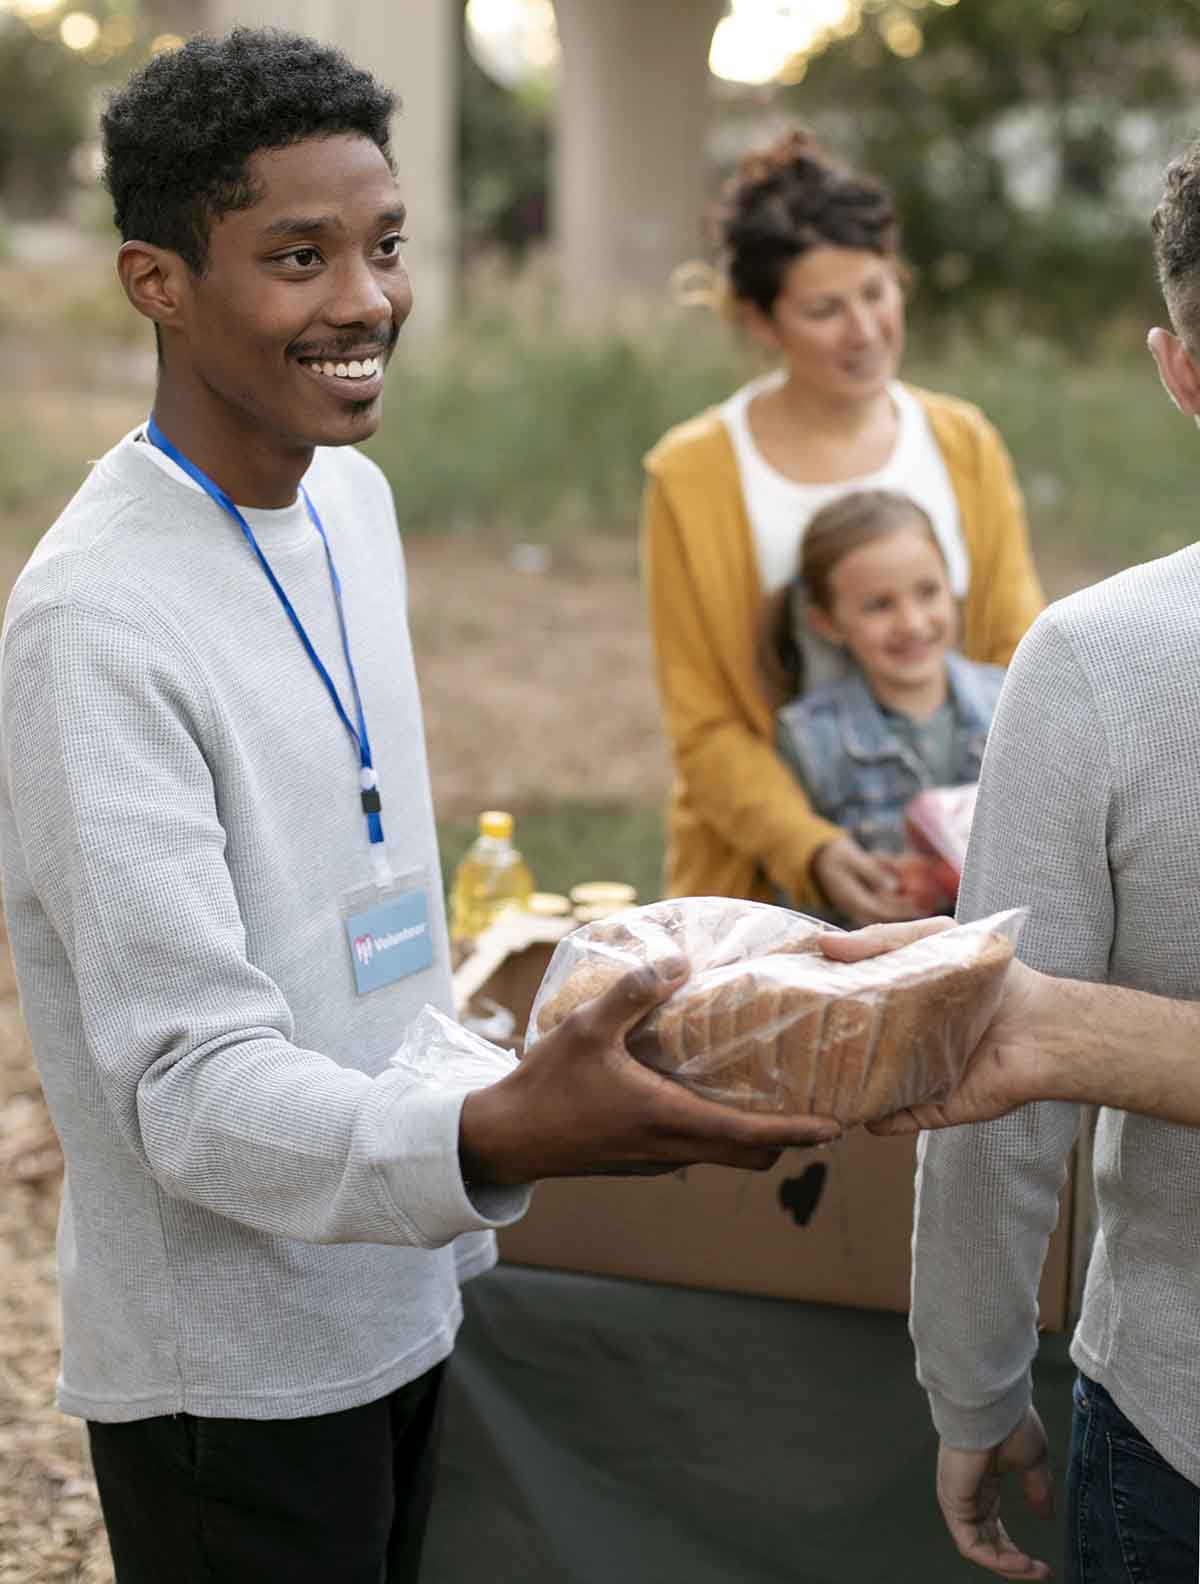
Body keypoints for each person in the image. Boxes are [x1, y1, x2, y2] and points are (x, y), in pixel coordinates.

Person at [0, 32, 840, 1584]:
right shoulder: (91, 627)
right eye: (297, 257)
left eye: (384, 247)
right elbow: (182, 1087)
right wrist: (507, 1125)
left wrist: (602, 1021)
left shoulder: (354, 502)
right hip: (234, 1374)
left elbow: (372, 930)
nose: (368, 301)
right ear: (156, 281)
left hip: (405, 1278)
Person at [818, 140, 1200, 1583]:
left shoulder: (1096, 663)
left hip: (1178, 1419)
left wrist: (974, 1388)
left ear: (1177, 367)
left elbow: (997, 1076)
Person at [641, 128, 1043, 925]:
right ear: (760, 321)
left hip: (968, 883)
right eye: (825, 309)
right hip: (769, 895)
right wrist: (813, 848)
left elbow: (1020, 666)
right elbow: (708, 729)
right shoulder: (693, 477)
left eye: (877, 292)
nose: (864, 331)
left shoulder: (963, 444)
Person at [766, 488, 1002, 917]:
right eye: (879, 606)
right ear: (827, 622)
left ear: (953, 588)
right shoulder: (808, 738)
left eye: (928, 592)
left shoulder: (1010, 700)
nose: (912, 624)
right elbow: (802, 906)